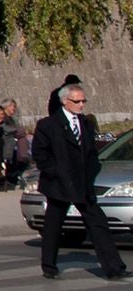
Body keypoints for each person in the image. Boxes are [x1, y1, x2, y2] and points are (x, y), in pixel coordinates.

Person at [31, 82, 128, 280]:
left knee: (98, 224)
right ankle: (49, 265)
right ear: (65, 101)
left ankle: (114, 267)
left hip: (83, 185)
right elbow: (40, 155)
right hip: (59, 185)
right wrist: (55, 172)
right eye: (77, 101)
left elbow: (92, 153)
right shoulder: (48, 125)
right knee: (53, 226)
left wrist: (92, 171)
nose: (81, 104)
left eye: (84, 101)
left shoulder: (85, 123)